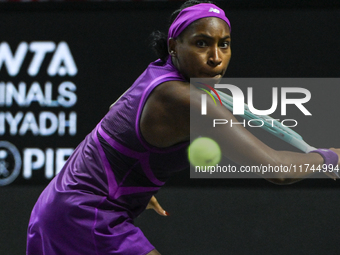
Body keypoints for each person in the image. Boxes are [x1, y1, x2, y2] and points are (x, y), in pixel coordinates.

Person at [26, 1, 340, 254]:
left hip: (62, 205)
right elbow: (276, 169)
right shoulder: (186, 99)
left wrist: (128, 178)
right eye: (202, 44)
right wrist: (329, 157)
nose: (216, 58)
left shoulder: (159, 73)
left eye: (224, 44)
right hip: (84, 218)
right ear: (175, 45)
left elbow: (111, 118)